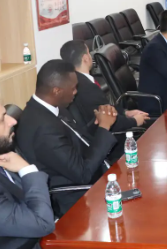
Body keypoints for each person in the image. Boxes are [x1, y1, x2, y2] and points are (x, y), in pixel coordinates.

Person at [15, 60, 118, 217]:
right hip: (75, 196)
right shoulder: (43, 129)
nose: (76, 92)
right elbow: (83, 174)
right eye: (73, 88)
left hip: (91, 173)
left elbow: (76, 139)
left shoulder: (51, 107)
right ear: (57, 91)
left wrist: (99, 122)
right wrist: (105, 127)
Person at [60, 40, 150, 132]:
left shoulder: (76, 81)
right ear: (85, 58)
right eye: (89, 52)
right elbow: (109, 122)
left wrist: (125, 112)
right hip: (113, 135)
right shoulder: (87, 88)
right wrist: (135, 121)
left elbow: (105, 107)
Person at [0, 103, 55, 249]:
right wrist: (27, 170)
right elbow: (42, 223)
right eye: (2, 119)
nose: (13, 121)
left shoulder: (6, 153)